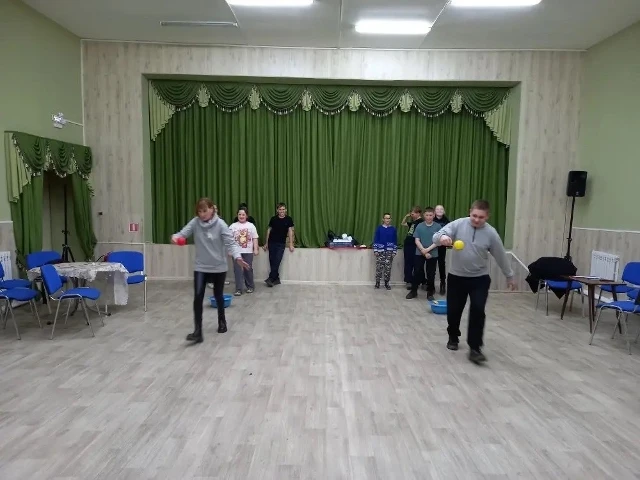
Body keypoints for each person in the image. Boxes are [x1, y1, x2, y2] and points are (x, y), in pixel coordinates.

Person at [432, 199, 516, 364]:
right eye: (474, 215)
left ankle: (475, 348)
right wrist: (443, 237)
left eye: (481, 217)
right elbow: (436, 237)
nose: (477, 219)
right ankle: (453, 336)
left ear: (487, 216)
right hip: (456, 277)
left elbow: (500, 255)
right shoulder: (458, 224)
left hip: (479, 279)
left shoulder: (491, 233)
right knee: (454, 311)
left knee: (478, 310)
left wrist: (510, 275)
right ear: (470, 212)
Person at [172, 197, 249, 344]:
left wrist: (238, 257)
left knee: (218, 295)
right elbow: (183, 233)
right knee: (198, 296)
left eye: (204, 211)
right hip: (201, 266)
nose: (202, 214)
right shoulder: (195, 222)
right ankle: (198, 332)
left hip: (218, 267)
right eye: (199, 211)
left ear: (212, 209)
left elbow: (231, 243)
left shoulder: (221, 224)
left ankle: (222, 321)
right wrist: (176, 237)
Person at [406, 207, 440, 301]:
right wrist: (423, 250)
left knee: (431, 274)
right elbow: (417, 240)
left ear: (434, 215)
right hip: (419, 252)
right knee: (417, 271)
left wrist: (427, 250)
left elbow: (438, 242)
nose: (429, 217)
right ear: (424, 215)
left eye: (430, 215)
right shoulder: (419, 226)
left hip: (433, 253)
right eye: (427, 215)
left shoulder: (438, 227)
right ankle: (413, 291)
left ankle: (430, 293)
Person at [229, 207, 259, 296]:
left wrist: (256, 249)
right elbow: (229, 239)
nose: (241, 216)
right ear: (237, 215)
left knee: (248, 269)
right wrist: (230, 250)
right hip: (236, 252)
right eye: (239, 214)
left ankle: (250, 286)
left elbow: (255, 238)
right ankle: (238, 289)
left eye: (243, 214)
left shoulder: (251, 226)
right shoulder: (233, 226)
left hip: (248, 252)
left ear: (246, 216)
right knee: (237, 270)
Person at [263, 203, 294, 287]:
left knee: (277, 261)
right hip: (271, 242)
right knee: (272, 261)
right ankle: (276, 279)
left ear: (286, 210)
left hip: (281, 244)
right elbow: (268, 230)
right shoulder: (273, 219)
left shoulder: (289, 219)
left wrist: (291, 244)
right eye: (280, 209)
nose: (282, 211)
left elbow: (290, 232)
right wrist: (266, 243)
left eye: (283, 209)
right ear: (277, 210)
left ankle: (270, 278)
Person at [372, 213, 398, 290]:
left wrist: (394, 251)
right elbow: (376, 239)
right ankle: (377, 283)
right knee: (379, 268)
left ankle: (387, 283)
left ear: (390, 219)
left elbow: (395, 240)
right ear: (383, 219)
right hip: (380, 252)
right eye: (386, 218)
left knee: (388, 268)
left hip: (389, 252)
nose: (387, 220)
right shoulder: (379, 228)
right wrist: (375, 250)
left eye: (389, 218)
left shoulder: (393, 229)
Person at [401, 206, 423, 289]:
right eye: (411, 214)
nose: (411, 215)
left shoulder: (421, 222)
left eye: (413, 214)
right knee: (408, 262)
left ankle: (419, 281)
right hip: (408, 244)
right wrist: (406, 216)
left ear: (418, 213)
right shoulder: (413, 222)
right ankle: (408, 281)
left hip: (415, 245)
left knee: (416, 264)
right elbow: (403, 223)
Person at [434, 205, 450, 294]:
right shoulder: (431, 220)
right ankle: (430, 284)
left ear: (444, 211)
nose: (439, 210)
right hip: (432, 245)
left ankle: (443, 283)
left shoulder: (447, 221)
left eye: (441, 209)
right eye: (437, 209)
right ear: (434, 211)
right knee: (431, 264)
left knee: (441, 264)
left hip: (442, 247)